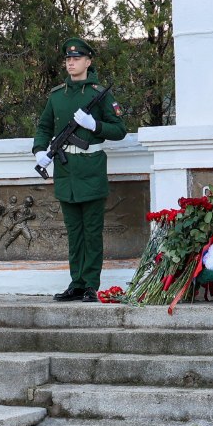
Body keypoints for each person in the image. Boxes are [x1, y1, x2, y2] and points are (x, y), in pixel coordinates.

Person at [31, 39, 131, 302]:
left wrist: (94, 125)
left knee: (92, 232)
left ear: (88, 62)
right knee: (74, 233)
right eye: (68, 59)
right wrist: (40, 150)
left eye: (76, 58)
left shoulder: (98, 93)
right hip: (65, 171)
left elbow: (120, 130)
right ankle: (76, 283)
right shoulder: (57, 96)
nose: (71, 62)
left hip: (91, 170)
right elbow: (43, 127)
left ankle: (90, 285)